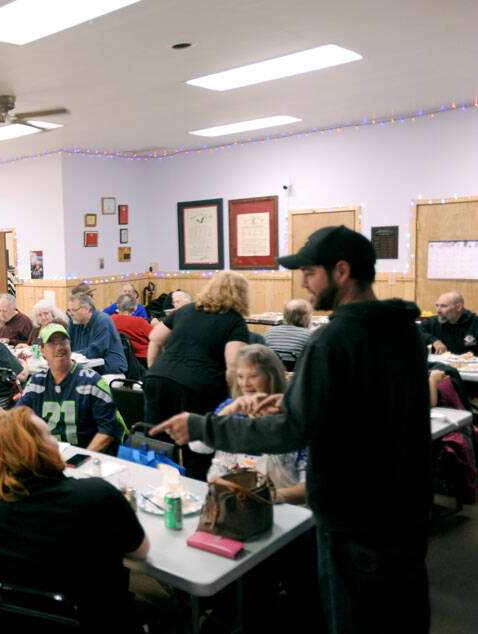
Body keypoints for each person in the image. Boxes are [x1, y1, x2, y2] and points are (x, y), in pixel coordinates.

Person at [153, 226, 431, 633]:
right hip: (405, 509)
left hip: (354, 517)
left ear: (341, 271)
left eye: (310, 272)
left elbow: (289, 433)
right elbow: (368, 405)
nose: (303, 283)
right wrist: (292, 400)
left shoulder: (330, 341)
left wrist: (202, 426)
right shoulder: (405, 330)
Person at [0, 406, 149, 632]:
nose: (56, 441)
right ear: (41, 450)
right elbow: (140, 552)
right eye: (49, 436)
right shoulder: (98, 495)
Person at [142, 271, 250, 479]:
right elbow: (233, 367)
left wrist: (154, 368)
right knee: (196, 452)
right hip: (197, 388)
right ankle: (195, 491)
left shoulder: (186, 310)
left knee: (158, 446)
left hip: (157, 380)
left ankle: (157, 489)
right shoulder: (234, 321)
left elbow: (154, 338)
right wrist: (234, 401)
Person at [200, 344, 307, 504]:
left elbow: (309, 486)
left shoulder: (293, 416)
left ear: (271, 376)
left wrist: (271, 496)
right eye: (240, 376)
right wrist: (227, 412)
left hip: (277, 508)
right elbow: (199, 447)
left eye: (253, 376)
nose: (245, 383)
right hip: (226, 503)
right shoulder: (229, 408)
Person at [13, 323, 124, 453]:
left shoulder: (92, 382)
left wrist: (82, 457)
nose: (59, 347)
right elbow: (17, 418)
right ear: (42, 350)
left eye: (63, 341)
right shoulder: (36, 382)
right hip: (50, 455)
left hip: (86, 455)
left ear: (70, 345)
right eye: (52, 343)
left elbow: (108, 431)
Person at [66, 292, 127, 375]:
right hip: (85, 368)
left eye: (74, 310)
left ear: (87, 309)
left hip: (109, 369)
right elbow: (66, 343)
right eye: (69, 310)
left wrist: (70, 355)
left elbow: (95, 352)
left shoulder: (102, 321)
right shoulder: (74, 321)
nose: (70, 314)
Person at [263, 298, 314, 368]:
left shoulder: (269, 332)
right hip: (296, 371)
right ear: (305, 318)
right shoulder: (309, 335)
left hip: (273, 370)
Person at [110, 293, 153, 364]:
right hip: (143, 358)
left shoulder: (111, 319)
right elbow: (156, 336)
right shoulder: (139, 321)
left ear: (118, 306)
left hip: (121, 359)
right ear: (134, 309)